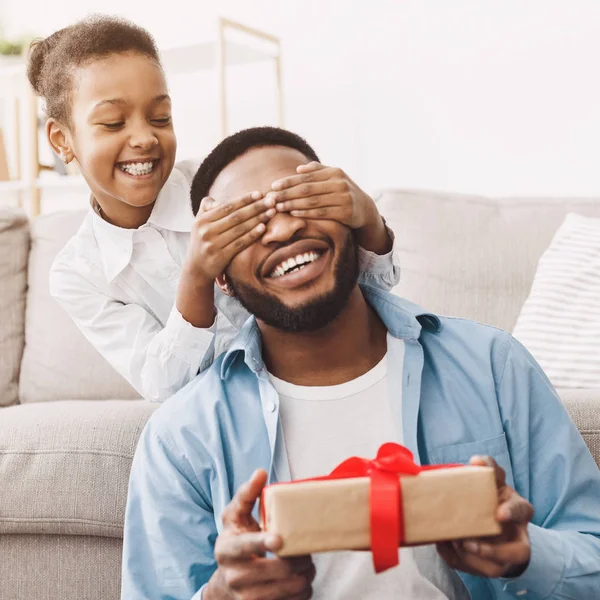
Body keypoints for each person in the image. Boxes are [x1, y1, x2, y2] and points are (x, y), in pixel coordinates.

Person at [121, 127, 600, 600]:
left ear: (350, 215)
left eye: (305, 201)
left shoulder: (493, 367)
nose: (286, 229)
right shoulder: (180, 439)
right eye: (247, 224)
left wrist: (528, 553)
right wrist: (222, 597)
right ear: (220, 276)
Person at [28, 15, 399, 402]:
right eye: (112, 122)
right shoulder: (77, 273)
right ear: (61, 140)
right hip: (223, 410)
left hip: (316, 377)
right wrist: (197, 275)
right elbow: (162, 385)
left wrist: (367, 219)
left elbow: (372, 289)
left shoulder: (224, 183)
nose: (143, 138)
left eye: (160, 118)